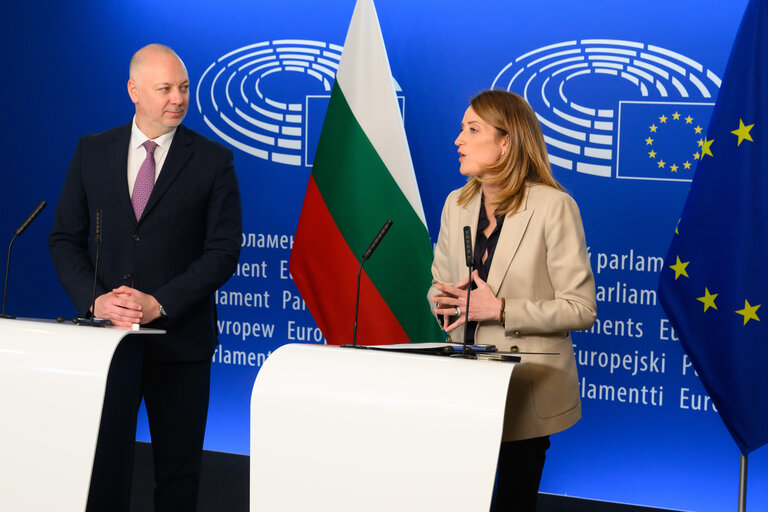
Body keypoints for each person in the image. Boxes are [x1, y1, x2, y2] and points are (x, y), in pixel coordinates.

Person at [49, 44, 242, 511]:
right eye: (165, 89)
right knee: (102, 472)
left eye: (184, 88)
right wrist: (94, 302)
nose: (178, 98)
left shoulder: (214, 160)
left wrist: (161, 303)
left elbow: (222, 253)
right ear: (134, 90)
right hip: (106, 347)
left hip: (181, 346)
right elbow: (63, 239)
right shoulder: (92, 151)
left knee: (177, 479)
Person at [428, 90, 596, 511]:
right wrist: (444, 302)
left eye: (472, 130)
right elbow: (437, 284)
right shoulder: (456, 203)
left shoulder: (554, 207)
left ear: (506, 142)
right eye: (461, 130)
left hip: (525, 386)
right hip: (463, 384)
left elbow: (581, 308)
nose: (458, 140)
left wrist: (499, 309)